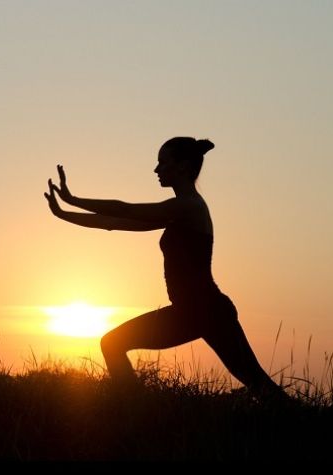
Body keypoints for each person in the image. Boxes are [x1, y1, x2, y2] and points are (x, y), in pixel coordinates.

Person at [43, 137, 285, 398]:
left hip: (208, 311)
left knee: (259, 385)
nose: (156, 170)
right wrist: (63, 213)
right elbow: (114, 221)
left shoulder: (188, 206)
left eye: (162, 163)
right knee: (113, 343)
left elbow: (125, 209)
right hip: (189, 312)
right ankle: (135, 408)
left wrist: (74, 199)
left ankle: (135, 408)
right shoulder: (176, 212)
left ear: (182, 167)